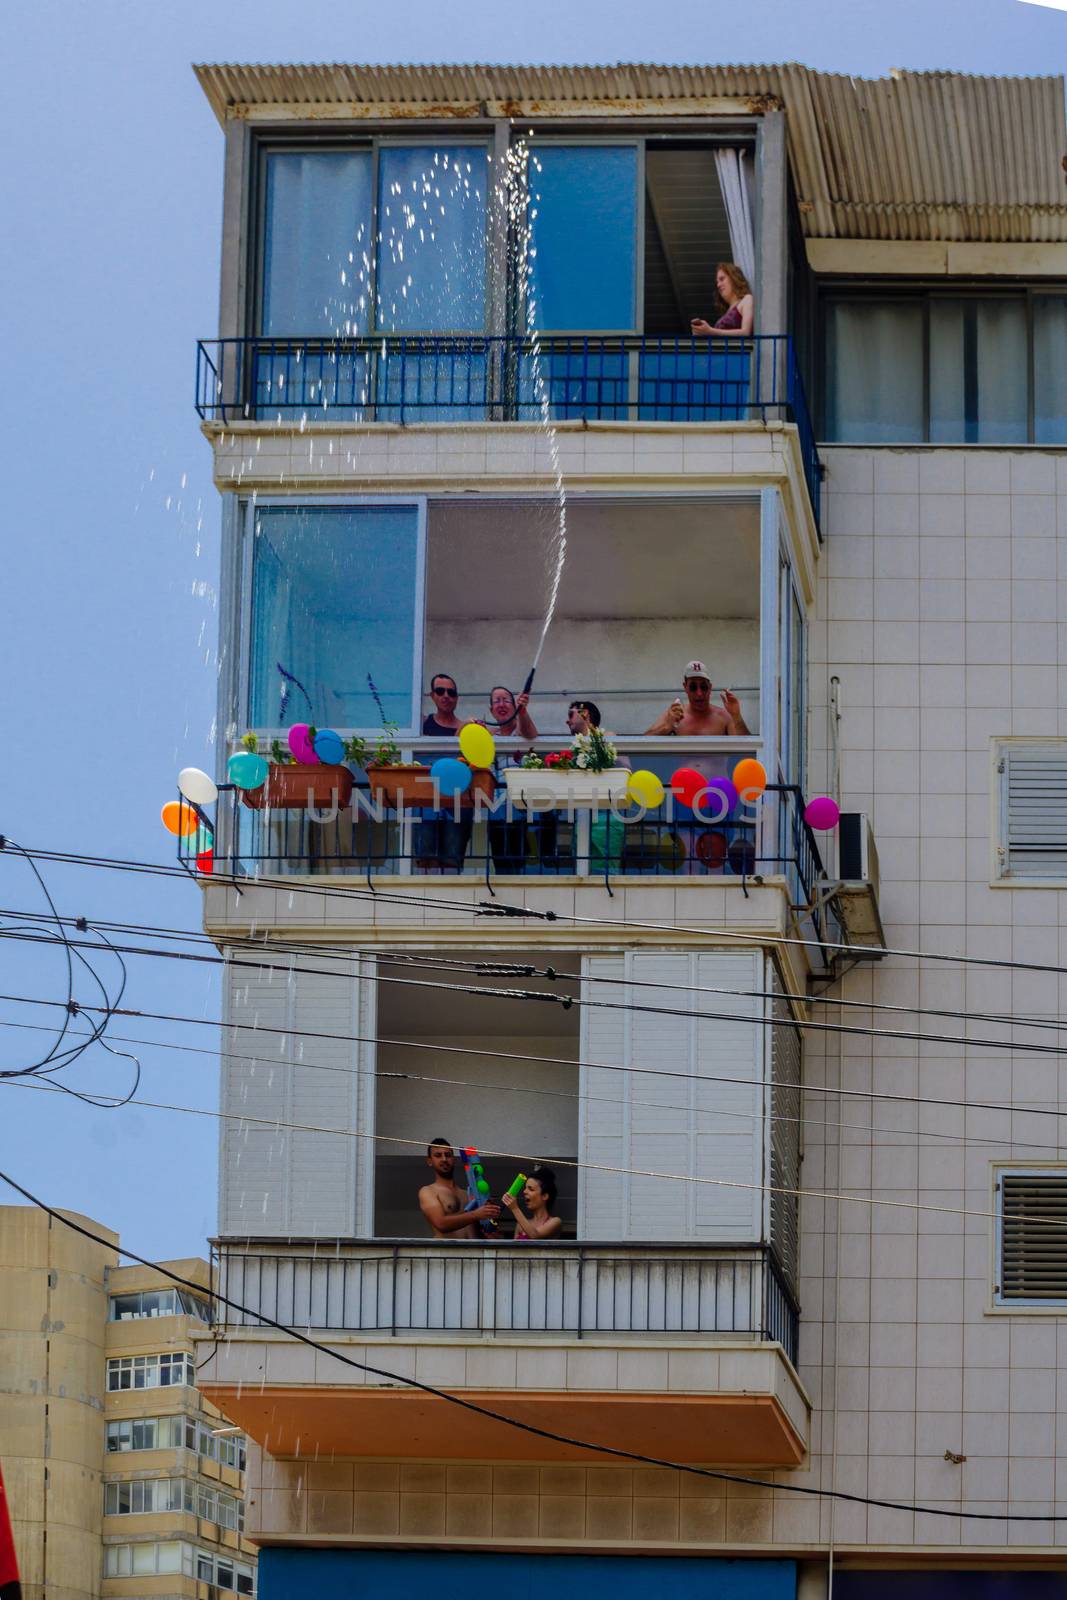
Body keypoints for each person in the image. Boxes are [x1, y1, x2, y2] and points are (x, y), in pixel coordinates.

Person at [415, 673, 472, 871]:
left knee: (452, 861)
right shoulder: (421, 725)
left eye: (451, 692)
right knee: (426, 858)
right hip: (427, 800)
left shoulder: (467, 728)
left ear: (457, 697)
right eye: (440, 691)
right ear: (432, 695)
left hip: (458, 802)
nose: (446, 695)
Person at [486, 687, 538, 874]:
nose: (501, 704)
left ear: (515, 706)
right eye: (496, 701)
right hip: (496, 810)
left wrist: (523, 711)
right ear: (491, 710)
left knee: (520, 864)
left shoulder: (521, 732)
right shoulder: (489, 736)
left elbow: (531, 734)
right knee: (501, 864)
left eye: (506, 700)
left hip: (521, 811)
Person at [418, 1138, 500, 1240]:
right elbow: (441, 1224)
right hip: (447, 1254)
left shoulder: (468, 1194)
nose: (444, 1159)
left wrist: (489, 1221)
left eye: (448, 1155)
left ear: (454, 1159)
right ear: (429, 1161)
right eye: (438, 1155)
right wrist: (476, 1214)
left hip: (476, 1253)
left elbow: (481, 1228)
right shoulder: (428, 1191)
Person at [646, 662, 749, 737]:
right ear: (685, 687)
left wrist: (736, 716)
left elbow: (748, 752)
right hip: (683, 768)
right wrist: (667, 727)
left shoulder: (724, 717)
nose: (699, 693)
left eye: (703, 687)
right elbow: (642, 744)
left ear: (710, 687)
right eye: (693, 687)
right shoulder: (675, 715)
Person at [690, 263, 754, 338]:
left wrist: (710, 331)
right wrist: (702, 333)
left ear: (734, 278)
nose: (718, 285)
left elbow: (746, 332)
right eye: (717, 282)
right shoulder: (727, 311)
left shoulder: (747, 299)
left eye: (722, 279)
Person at [501, 1164, 562, 1240]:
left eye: (531, 1189)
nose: (524, 1192)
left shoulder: (555, 1221)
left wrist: (515, 1208)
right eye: (525, 1188)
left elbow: (534, 1235)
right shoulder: (520, 1225)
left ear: (544, 1196)